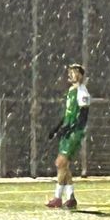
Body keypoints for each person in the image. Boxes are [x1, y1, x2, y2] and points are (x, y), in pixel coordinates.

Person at [46, 64, 92, 210]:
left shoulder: (82, 92)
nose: (71, 74)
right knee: (63, 165)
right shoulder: (71, 91)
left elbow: (83, 117)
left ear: (81, 75)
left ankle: (58, 198)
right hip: (68, 131)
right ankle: (71, 198)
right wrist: (57, 128)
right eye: (70, 72)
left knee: (60, 163)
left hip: (74, 133)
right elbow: (68, 114)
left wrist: (70, 128)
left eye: (75, 72)